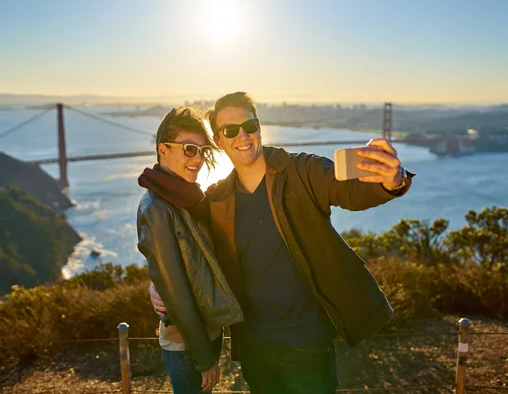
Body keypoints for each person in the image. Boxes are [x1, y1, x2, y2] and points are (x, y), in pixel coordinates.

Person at [152, 92, 414, 394]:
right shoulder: (217, 198)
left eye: (249, 125)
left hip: (307, 343)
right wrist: (157, 279)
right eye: (230, 130)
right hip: (253, 346)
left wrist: (392, 181)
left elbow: (351, 191)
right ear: (219, 141)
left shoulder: (301, 171)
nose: (243, 136)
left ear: (259, 127)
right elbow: (189, 242)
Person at [136, 106, 243, 394]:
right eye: (188, 149)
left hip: (208, 331)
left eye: (202, 150)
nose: (197, 159)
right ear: (163, 150)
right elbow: (178, 295)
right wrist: (204, 358)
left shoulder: (189, 199)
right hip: (187, 344)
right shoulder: (157, 209)